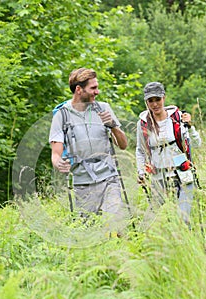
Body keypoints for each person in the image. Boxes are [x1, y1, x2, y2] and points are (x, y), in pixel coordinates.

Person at [49, 67, 128, 218]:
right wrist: (58, 163)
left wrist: (113, 126)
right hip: (82, 182)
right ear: (79, 89)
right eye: (93, 88)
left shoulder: (103, 108)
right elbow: (56, 153)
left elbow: (123, 145)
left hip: (109, 177)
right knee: (89, 231)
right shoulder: (62, 115)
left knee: (116, 220)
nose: (97, 92)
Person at [136, 81, 201, 224]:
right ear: (146, 102)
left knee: (184, 218)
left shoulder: (177, 118)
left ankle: (187, 245)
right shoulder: (143, 123)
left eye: (157, 99)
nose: (154, 104)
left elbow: (197, 144)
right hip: (159, 177)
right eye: (150, 101)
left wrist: (190, 127)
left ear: (163, 98)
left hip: (183, 173)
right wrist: (141, 171)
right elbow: (140, 150)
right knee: (149, 220)